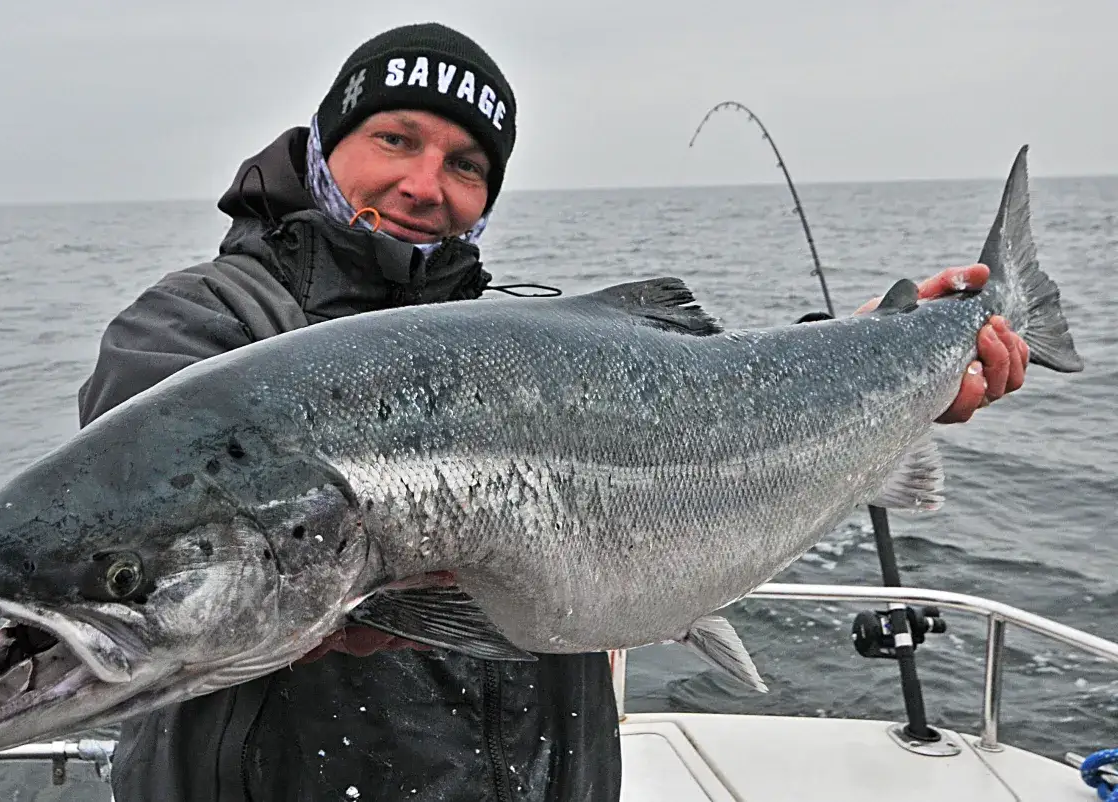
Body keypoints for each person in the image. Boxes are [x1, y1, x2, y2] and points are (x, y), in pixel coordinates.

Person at [76, 21, 1029, 802]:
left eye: (465, 163)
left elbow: (714, 401)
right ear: (329, 145)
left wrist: (874, 351)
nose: (423, 185)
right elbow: (140, 540)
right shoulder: (195, 328)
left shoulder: (525, 337)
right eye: (395, 138)